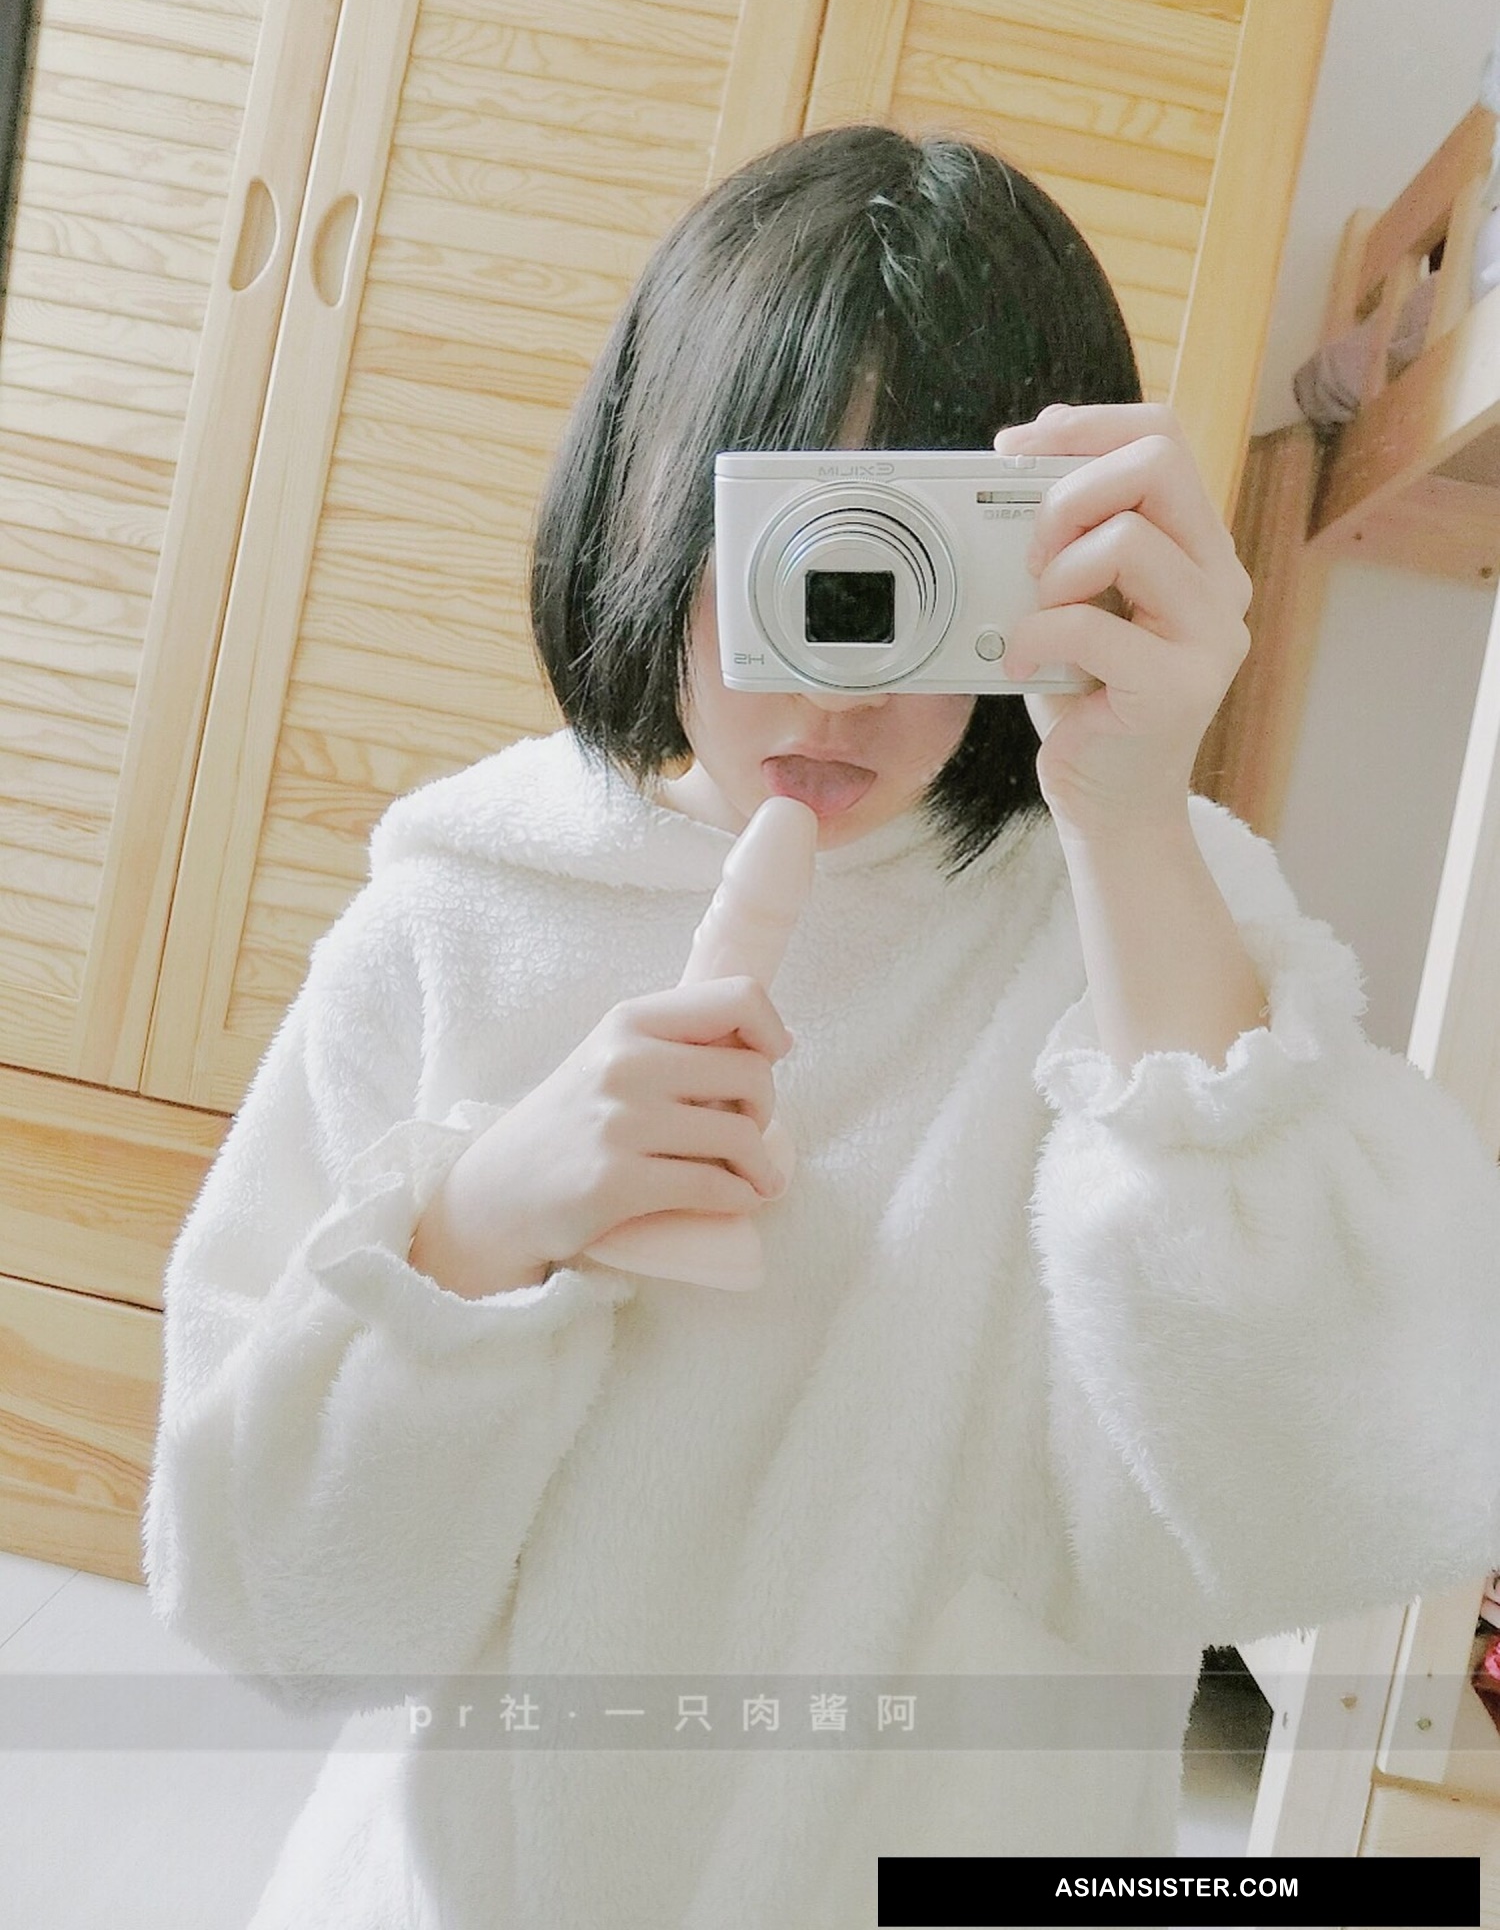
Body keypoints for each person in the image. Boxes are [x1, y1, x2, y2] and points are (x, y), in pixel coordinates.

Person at [144, 125, 1500, 1927]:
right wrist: (475, 1228)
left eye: (920, 561)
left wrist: (1131, 814)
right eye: (796, 549)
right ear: (647, 508)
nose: (842, 677)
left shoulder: (1143, 918)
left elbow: (1327, 1509)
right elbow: (266, 1607)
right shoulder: (466, 912)